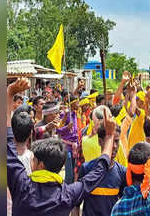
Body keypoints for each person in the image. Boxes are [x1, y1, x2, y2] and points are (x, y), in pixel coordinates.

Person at [7, 78, 117, 216]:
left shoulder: (22, 185)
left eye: (34, 159)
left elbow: (8, 146)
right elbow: (100, 169)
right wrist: (110, 137)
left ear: (40, 165)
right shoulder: (67, 194)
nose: (31, 161)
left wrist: (9, 94)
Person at [73, 124, 127, 216]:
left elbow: (124, 203)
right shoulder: (87, 169)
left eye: (117, 141)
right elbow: (76, 204)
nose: (114, 146)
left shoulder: (122, 172)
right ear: (99, 141)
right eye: (109, 142)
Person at [58, 95, 80, 184]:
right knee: (69, 174)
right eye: (77, 103)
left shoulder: (75, 114)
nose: (79, 105)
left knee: (74, 172)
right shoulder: (64, 114)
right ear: (72, 103)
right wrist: (67, 127)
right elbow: (57, 129)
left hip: (75, 146)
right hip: (67, 146)